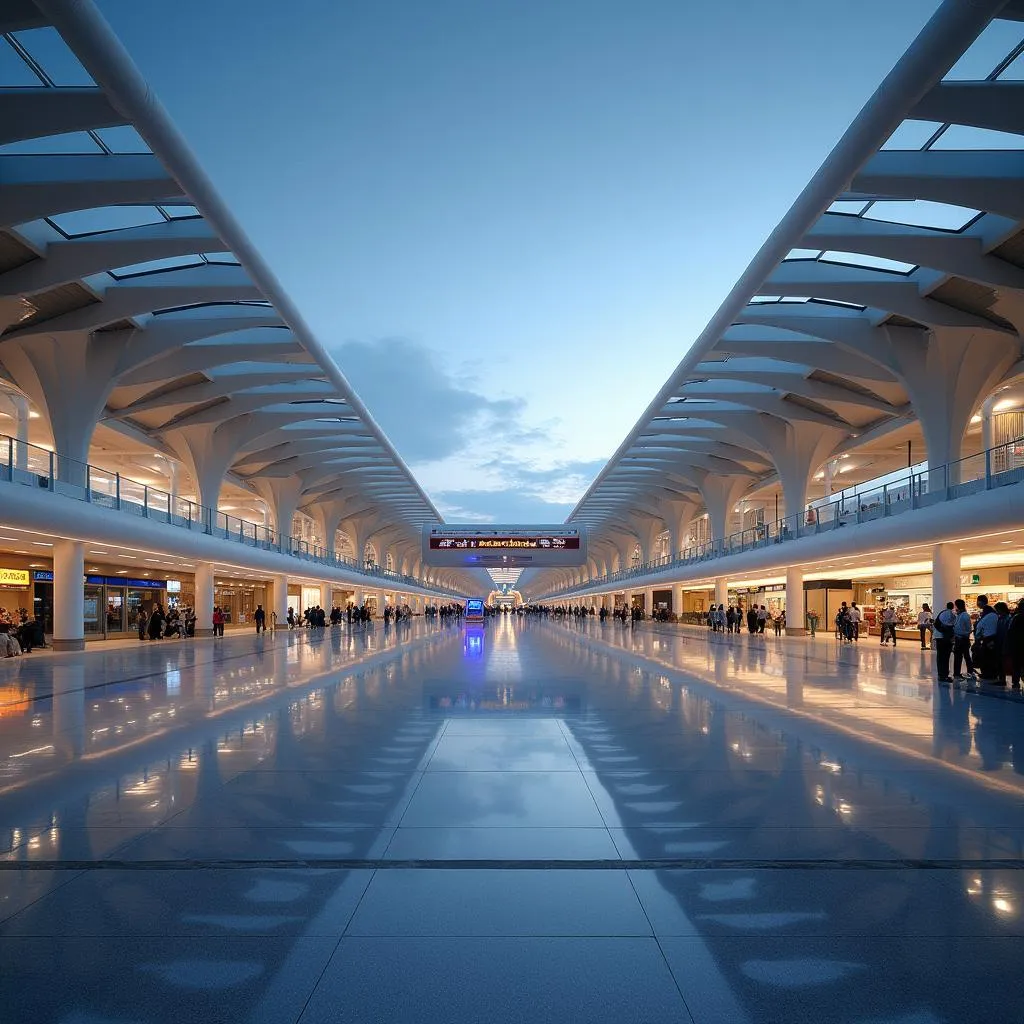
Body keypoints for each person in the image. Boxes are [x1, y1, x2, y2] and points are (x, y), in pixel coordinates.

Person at [973, 594, 999, 683]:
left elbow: (980, 625)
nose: (977, 603)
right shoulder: (992, 612)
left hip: (988, 638)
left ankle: (988, 674)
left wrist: (977, 637)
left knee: (986, 657)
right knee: (991, 657)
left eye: (978, 601)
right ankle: (991, 673)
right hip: (993, 637)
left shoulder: (987, 613)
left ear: (981, 602)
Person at [952, 598, 976, 682]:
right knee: (964, 656)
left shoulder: (964, 615)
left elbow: (968, 628)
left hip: (963, 639)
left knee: (961, 656)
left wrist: (963, 634)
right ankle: (966, 672)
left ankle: (960, 673)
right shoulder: (960, 615)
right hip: (960, 638)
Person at [933, 601, 956, 683]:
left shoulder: (942, 613)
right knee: (946, 657)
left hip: (938, 637)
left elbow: (936, 624)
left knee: (940, 657)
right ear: (953, 607)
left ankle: (941, 675)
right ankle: (944, 675)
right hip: (945, 638)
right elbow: (951, 626)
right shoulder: (952, 615)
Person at [1007, 598, 1024, 690]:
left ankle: (1016, 682)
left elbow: (1010, 632)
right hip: (1018, 644)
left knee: (1016, 665)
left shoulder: (1016, 617)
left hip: (1017, 645)